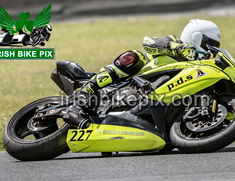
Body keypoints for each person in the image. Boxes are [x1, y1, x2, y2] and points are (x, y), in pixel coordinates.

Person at [63, 19, 221, 127]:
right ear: (196, 37)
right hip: (132, 82)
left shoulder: (197, 65)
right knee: (134, 56)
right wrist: (176, 47)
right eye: (209, 44)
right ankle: (88, 88)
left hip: (154, 98)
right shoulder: (174, 41)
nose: (209, 50)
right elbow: (148, 42)